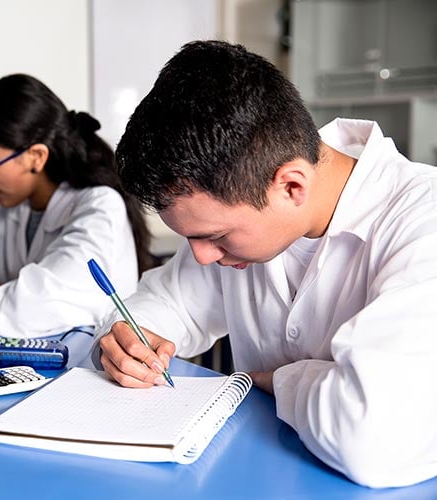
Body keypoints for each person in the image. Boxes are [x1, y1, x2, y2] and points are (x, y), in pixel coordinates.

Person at [93, 40, 437, 488]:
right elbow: (162, 304)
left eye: (214, 236)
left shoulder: (422, 223)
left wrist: (277, 380)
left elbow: (374, 440)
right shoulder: (246, 200)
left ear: (292, 186)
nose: (201, 256)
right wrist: (125, 341)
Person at [0, 74, 152, 339]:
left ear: (35, 156)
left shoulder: (98, 208)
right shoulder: (12, 208)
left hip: (88, 368)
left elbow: (28, 311)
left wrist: (3, 289)